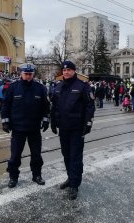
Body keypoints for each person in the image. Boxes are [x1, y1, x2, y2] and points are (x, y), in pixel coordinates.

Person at [50, 61, 95, 200]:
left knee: (75, 157)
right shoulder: (58, 87)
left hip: (77, 128)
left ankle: (74, 184)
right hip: (63, 128)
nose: (66, 72)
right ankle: (70, 177)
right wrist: (52, 122)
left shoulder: (82, 86)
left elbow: (89, 106)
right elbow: (54, 107)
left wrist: (88, 123)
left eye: (69, 70)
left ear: (74, 71)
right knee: (66, 155)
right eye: (64, 70)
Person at [1, 63, 50, 188]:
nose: (28, 76)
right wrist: (5, 121)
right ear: (21, 74)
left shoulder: (40, 88)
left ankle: (37, 175)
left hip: (34, 128)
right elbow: (5, 105)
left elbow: (46, 106)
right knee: (15, 156)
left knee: (36, 155)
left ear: (33, 74)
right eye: (26, 74)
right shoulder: (13, 88)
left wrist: (45, 119)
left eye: (30, 74)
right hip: (18, 128)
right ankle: (13, 177)